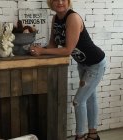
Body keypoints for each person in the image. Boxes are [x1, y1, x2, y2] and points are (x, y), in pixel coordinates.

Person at [29, 0, 106, 140]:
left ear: (68, 1)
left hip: (96, 63)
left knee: (78, 101)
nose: (60, 2)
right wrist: (38, 49)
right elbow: (52, 44)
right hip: (83, 64)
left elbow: (67, 50)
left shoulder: (73, 18)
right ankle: (93, 135)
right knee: (90, 97)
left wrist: (42, 51)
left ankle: (80, 136)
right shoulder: (55, 19)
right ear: (50, 3)